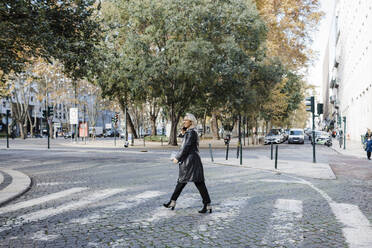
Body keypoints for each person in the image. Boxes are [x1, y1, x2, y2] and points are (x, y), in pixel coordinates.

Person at [163, 113, 212, 213]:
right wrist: (183, 131)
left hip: (190, 162)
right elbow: (182, 139)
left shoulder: (191, 133)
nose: (184, 121)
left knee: (187, 182)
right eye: (184, 120)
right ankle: (207, 205)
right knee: (191, 182)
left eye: (186, 120)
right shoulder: (190, 132)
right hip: (192, 161)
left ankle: (173, 201)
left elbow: (186, 147)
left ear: (191, 122)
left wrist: (177, 157)